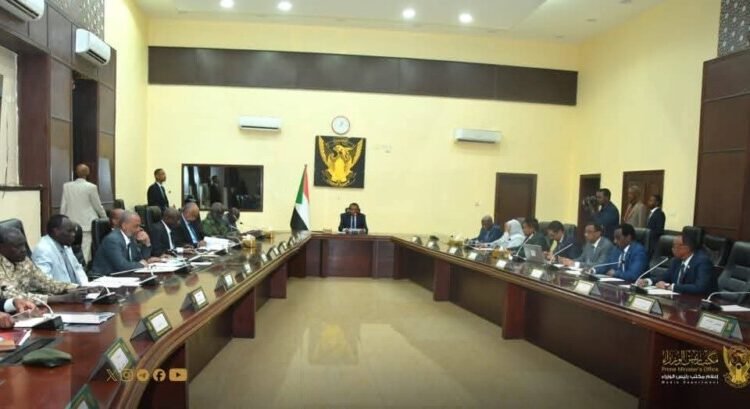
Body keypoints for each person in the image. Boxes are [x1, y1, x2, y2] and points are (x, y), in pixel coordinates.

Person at [0, 227, 81, 303]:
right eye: (17, 246)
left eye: (23, 244)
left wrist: (75, 288)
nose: (24, 249)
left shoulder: (23, 260)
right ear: (2, 247)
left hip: (29, 308)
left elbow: (44, 282)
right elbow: (11, 296)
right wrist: (61, 298)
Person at [60, 163, 107, 262]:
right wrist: (105, 218)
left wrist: (62, 221)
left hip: (71, 222)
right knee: (85, 249)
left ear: (76, 172)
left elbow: (63, 205)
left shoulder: (67, 186)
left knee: (70, 247)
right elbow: (97, 206)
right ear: (88, 173)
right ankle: (83, 267)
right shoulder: (91, 187)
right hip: (87, 223)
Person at [637, 234, 713, 295]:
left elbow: (699, 287)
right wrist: (648, 281)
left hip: (697, 302)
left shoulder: (703, 262)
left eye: (674, 246)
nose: (672, 249)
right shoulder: (676, 261)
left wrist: (670, 287)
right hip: (679, 299)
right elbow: (665, 277)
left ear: (686, 248)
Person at [91, 211, 158, 275]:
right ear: (124, 226)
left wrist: (147, 244)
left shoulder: (130, 238)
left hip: (123, 276)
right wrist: (141, 264)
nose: (139, 229)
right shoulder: (112, 240)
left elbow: (139, 259)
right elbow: (122, 266)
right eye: (136, 226)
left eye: (139, 226)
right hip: (106, 278)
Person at [31, 215, 89, 284]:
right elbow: (45, 282)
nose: (73, 234)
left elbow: (77, 269)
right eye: (69, 231)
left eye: (74, 231)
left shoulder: (66, 245)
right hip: (62, 290)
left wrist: (86, 286)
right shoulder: (43, 250)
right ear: (56, 231)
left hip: (79, 288)